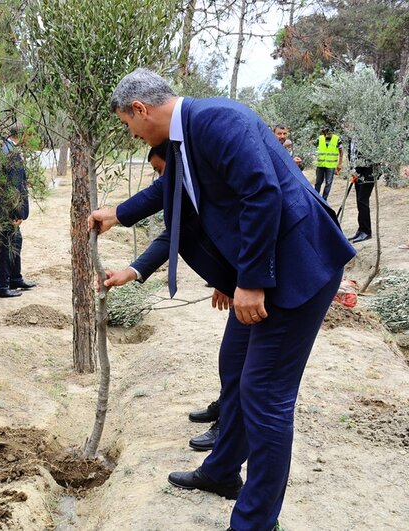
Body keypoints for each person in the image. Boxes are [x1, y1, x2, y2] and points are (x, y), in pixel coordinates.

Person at [90, 68, 355, 531]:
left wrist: (250, 281)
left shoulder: (216, 120)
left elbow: (262, 193)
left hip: (295, 271)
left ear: (140, 109)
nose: (129, 133)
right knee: (235, 366)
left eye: (126, 124)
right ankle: (222, 471)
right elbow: (166, 190)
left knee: (266, 395)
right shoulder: (182, 139)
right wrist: (118, 214)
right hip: (268, 273)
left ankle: (255, 521)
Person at [109, 141, 225, 452]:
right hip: (242, 279)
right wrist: (131, 271)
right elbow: (174, 234)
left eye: (161, 171)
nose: (160, 180)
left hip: (264, 284)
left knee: (240, 361)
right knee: (233, 357)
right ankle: (226, 406)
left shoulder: (208, 185)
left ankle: (228, 426)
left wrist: (238, 281)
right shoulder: (191, 188)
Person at [0, 126, 36, 298]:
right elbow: (14, 187)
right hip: (5, 209)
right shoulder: (11, 153)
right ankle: (1, 287)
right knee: (7, 245)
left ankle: (15, 278)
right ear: (23, 135)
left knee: (16, 240)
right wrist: (16, 213)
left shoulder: (4, 148)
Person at [346, 137, 375, 243]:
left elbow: (367, 159)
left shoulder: (364, 136)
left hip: (368, 174)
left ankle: (367, 231)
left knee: (363, 200)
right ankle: (361, 229)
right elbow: (352, 156)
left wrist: (358, 172)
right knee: (359, 201)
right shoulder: (351, 139)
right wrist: (353, 170)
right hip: (357, 174)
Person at [314, 125, 343, 200]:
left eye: (327, 131)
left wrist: (340, 164)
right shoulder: (319, 139)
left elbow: (341, 151)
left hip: (331, 165)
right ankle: (316, 198)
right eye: (324, 131)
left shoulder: (337, 139)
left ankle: (324, 199)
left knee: (328, 183)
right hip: (320, 165)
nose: (325, 133)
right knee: (318, 183)